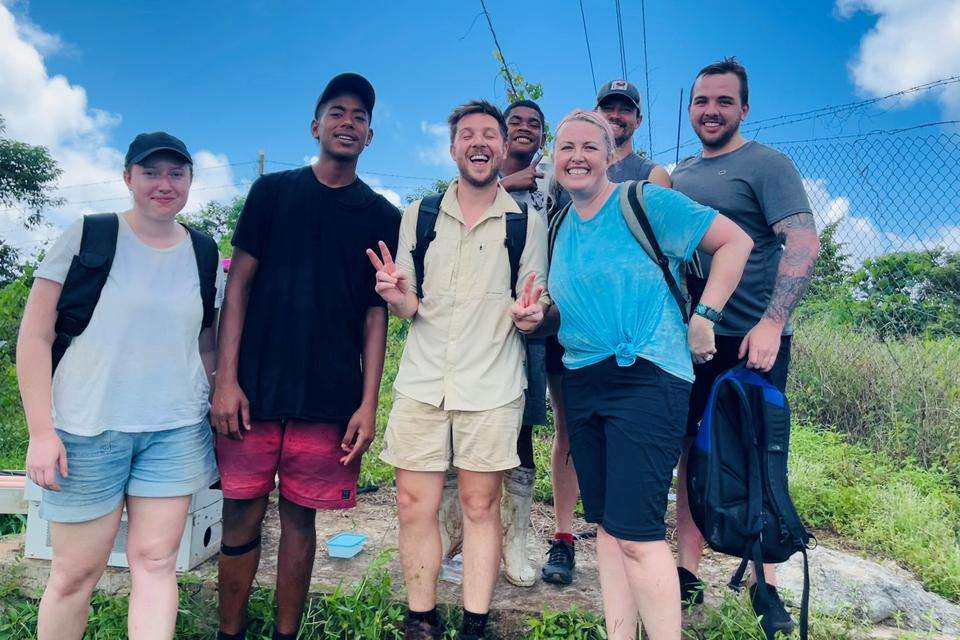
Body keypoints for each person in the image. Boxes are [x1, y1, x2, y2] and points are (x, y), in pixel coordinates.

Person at [545, 109, 752, 640]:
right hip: (583, 379)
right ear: (553, 159)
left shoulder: (645, 202)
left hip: (648, 378)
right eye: (566, 147)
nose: (577, 157)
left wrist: (706, 318)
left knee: (637, 535)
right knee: (610, 531)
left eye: (590, 147)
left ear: (612, 155)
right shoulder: (559, 224)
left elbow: (735, 243)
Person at [211, 73, 400, 640]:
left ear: (370, 135)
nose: (349, 122)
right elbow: (238, 284)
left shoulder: (380, 214)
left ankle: (286, 634)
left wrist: (368, 403)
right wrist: (226, 379)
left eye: (360, 116)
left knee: (300, 519)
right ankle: (229, 631)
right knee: (240, 514)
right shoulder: (273, 193)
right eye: (337, 112)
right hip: (253, 392)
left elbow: (375, 314)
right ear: (314, 126)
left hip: (329, 398)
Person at [18, 132, 223, 640]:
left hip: (173, 432)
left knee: (156, 564)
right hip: (86, 431)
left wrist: (218, 394)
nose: (164, 184)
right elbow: (36, 335)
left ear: (190, 181)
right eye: (151, 172)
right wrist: (41, 433)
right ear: (128, 178)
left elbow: (205, 343)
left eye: (176, 173)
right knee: (74, 575)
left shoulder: (201, 250)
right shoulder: (89, 235)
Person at [368, 100, 549, 640]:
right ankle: (420, 619)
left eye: (488, 135)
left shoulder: (526, 223)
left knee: (480, 503)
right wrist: (396, 296)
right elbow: (407, 306)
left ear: (502, 146)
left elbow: (533, 305)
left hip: (492, 385)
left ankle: (475, 622)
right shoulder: (420, 216)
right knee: (412, 503)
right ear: (452, 148)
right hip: (424, 381)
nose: (479, 142)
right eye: (467, 134)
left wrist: (530, 316)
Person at [671, 57, 819, 640]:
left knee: (757, 452)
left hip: (753, 339)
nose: (711, 111)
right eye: (701, 101)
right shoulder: (678, 176)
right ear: (690, 107)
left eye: (723, 101)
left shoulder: (766, 164)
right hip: (690, 340)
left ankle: (766, 581)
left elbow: (802, 239)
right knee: (691, 450)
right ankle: (686, 568)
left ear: (744, 109)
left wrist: (772, 320)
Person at [541, 79, 672, 586]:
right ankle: (564, 537)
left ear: (637, 120)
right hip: (571, 327)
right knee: (570, 431)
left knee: (629, 434)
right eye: (607, 108)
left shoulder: (650, 175)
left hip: (630, 339)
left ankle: (630, 539)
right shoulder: (565, 174)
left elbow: (663, 255)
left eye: (626, 110)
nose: (616, 116)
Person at [435, 99, 551, 588]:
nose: (524, 129)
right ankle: (455, 533)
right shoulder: (474, 178)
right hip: (468, 333)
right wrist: (505, 183)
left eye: (534, 124)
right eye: (515, 122)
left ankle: (515, 537)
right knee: (454, 433)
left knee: (520, 428)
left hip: (533, 321)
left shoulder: (553, 181)